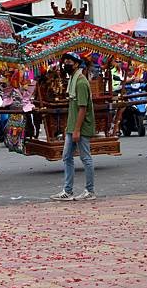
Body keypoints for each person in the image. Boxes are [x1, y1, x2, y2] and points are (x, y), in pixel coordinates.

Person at [51, 52, 96, 201]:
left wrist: (76, 129)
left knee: (86, 158)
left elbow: (82, 108)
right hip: (72, 126)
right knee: (67, 157)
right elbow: (74, 107)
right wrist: (69, 128)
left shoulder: (81, 82)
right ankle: (68, 190)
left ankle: (90, 191)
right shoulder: (73, 80)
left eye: (69, 61)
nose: (66, 64)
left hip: (81, 126)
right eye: (65, 61)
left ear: (76, 64)